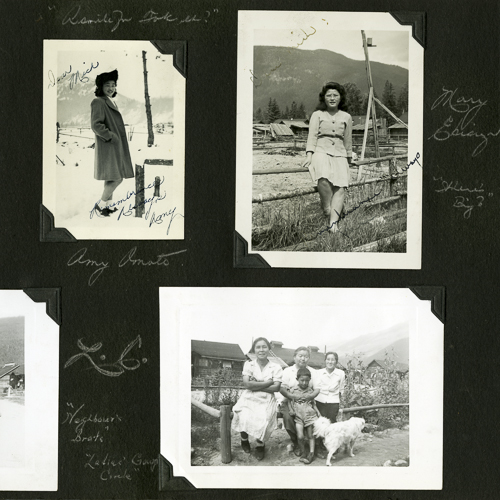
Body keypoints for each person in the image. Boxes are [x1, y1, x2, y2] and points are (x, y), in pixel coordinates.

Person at [302, 82, 353, 233]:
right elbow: (312, 136)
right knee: (323, 179)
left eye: (335, 95)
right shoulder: (317, 115)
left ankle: (333, 224)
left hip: (340, 153)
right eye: (328, 95)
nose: (332, 98)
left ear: (340, 98)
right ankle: (327, 208)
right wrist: (309, 155)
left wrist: (349, 158)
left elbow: (348, 140)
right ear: (323, 98)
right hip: (321, 151)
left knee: (341, 187)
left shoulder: (347, 117)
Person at [90, 69, 134, 217]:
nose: (111, 88)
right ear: (100, 87)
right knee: (117, 177)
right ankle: (100, 205)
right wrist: (112, 136)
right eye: (107, 85)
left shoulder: (108, 101)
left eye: (113, 85)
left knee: (111, 176)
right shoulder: (98, 102)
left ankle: (107, 207)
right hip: (108, 146)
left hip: (112, 146)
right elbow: (96, 125)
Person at [231, 337, 283, 460]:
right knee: (242, 414)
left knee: (265, 418)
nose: (261, 350)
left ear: (269, 349)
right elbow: (247, 385)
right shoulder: (249, 365)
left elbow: (276, 388)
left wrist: (256, 384)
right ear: (254, 350)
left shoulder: (276, 367)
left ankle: (260, 445)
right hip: (249, 396)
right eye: (258, 347)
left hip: (267, 398)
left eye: (264, 347)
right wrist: (267, 382)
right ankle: (244, 440)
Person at [280, 347, 322, 456]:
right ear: (294, 357)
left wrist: (310, 396)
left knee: (315, 418)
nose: (303, 359)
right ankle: (296, 442)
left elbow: (317, 389)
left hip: (307, 402)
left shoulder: (313, 372)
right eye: (300, 356)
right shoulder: (287, 371)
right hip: (290, 401)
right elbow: (282, 388)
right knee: (288, 418)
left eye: (306, 356)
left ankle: (315, 444)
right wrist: (291, 396)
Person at [287, 367, 321, 464]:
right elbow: (289, 400)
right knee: (300, 436)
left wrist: (317, 412)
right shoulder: (293, 390)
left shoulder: (310, 391)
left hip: (310, 416)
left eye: (307, 380)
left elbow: (313, 403)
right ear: (297, 379)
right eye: (302, 380)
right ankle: (303, 451)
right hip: (298, 417)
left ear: (309, 380)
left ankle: (311, 453)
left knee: (311, 435)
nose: (304, 383)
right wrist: (291, 409)